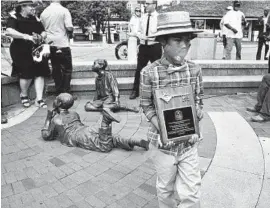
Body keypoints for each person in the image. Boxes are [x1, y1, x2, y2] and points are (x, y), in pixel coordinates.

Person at [140, 11, 204, 208]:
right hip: (162, 146)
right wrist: (161, 127)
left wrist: (195, 119)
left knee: (191, 191)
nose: (185, 45)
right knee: (166, 188)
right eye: (178, 40)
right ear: (163, 43)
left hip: (188, 144)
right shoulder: (149, 73)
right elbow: (145, 104)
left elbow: (199, 101)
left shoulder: (194, 70)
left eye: (187, 40)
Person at [41, 93, 149, 152]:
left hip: (77, 136)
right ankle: (134, 141)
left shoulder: (57, 120)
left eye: (56, 99)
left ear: (59, 103)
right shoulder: (74, 113)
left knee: (104, 146)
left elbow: (46, 135)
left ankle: (105, 121)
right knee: (111, 138)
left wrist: (48, 118)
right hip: (87, 129)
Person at [6, 0, 50, 108]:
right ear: (23, 7)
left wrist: (41, 36)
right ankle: (24, 94)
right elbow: (9, 31)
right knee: (27, 73)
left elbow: (43, 31)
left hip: (36, 48)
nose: (33, 8)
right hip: (20, 50)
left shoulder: (35, 18)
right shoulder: (14, 17)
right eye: (31, 6)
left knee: (40, 72)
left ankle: (39, 99)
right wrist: (26, 36)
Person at [129, 0, 162, 100]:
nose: (145, 5)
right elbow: (137, 30)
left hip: (155, 47)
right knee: (139, 69)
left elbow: (162, 32)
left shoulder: (159, 17)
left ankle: (159, 91)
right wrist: (140, 36)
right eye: (145, 4)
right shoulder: (143, 17)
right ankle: (135, 90)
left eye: (148, 4)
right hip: (143, 47)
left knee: (157, 70)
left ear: (154, 5)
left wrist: (154, 37)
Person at [40, 0, 74, 95]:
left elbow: (41, 28)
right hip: (62, 43)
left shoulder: (44, 12)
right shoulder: (64, 10)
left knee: (55, 68)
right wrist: (71, 33)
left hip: (50, 43)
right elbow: (69, 27)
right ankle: (66, 92)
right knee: (67, 69)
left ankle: (58, 91)